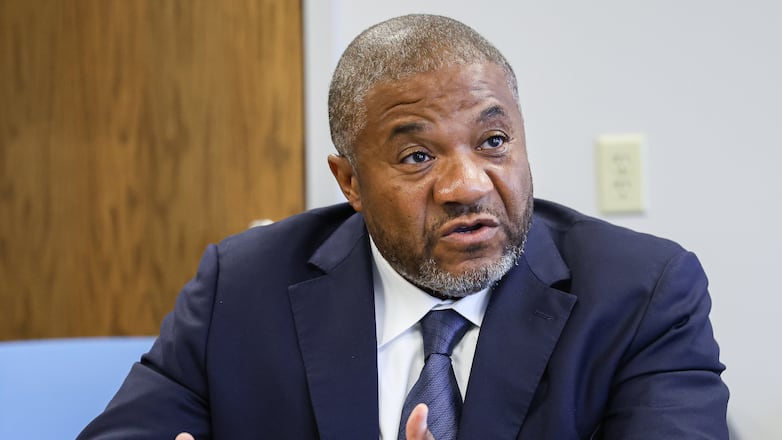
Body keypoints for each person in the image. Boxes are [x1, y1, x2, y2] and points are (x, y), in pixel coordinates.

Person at [78, 14, 729, 440]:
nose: (467, 185)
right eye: (417, 156)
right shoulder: (242, 287)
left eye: (493, 141)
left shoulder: (640, 295)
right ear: (350, 183)